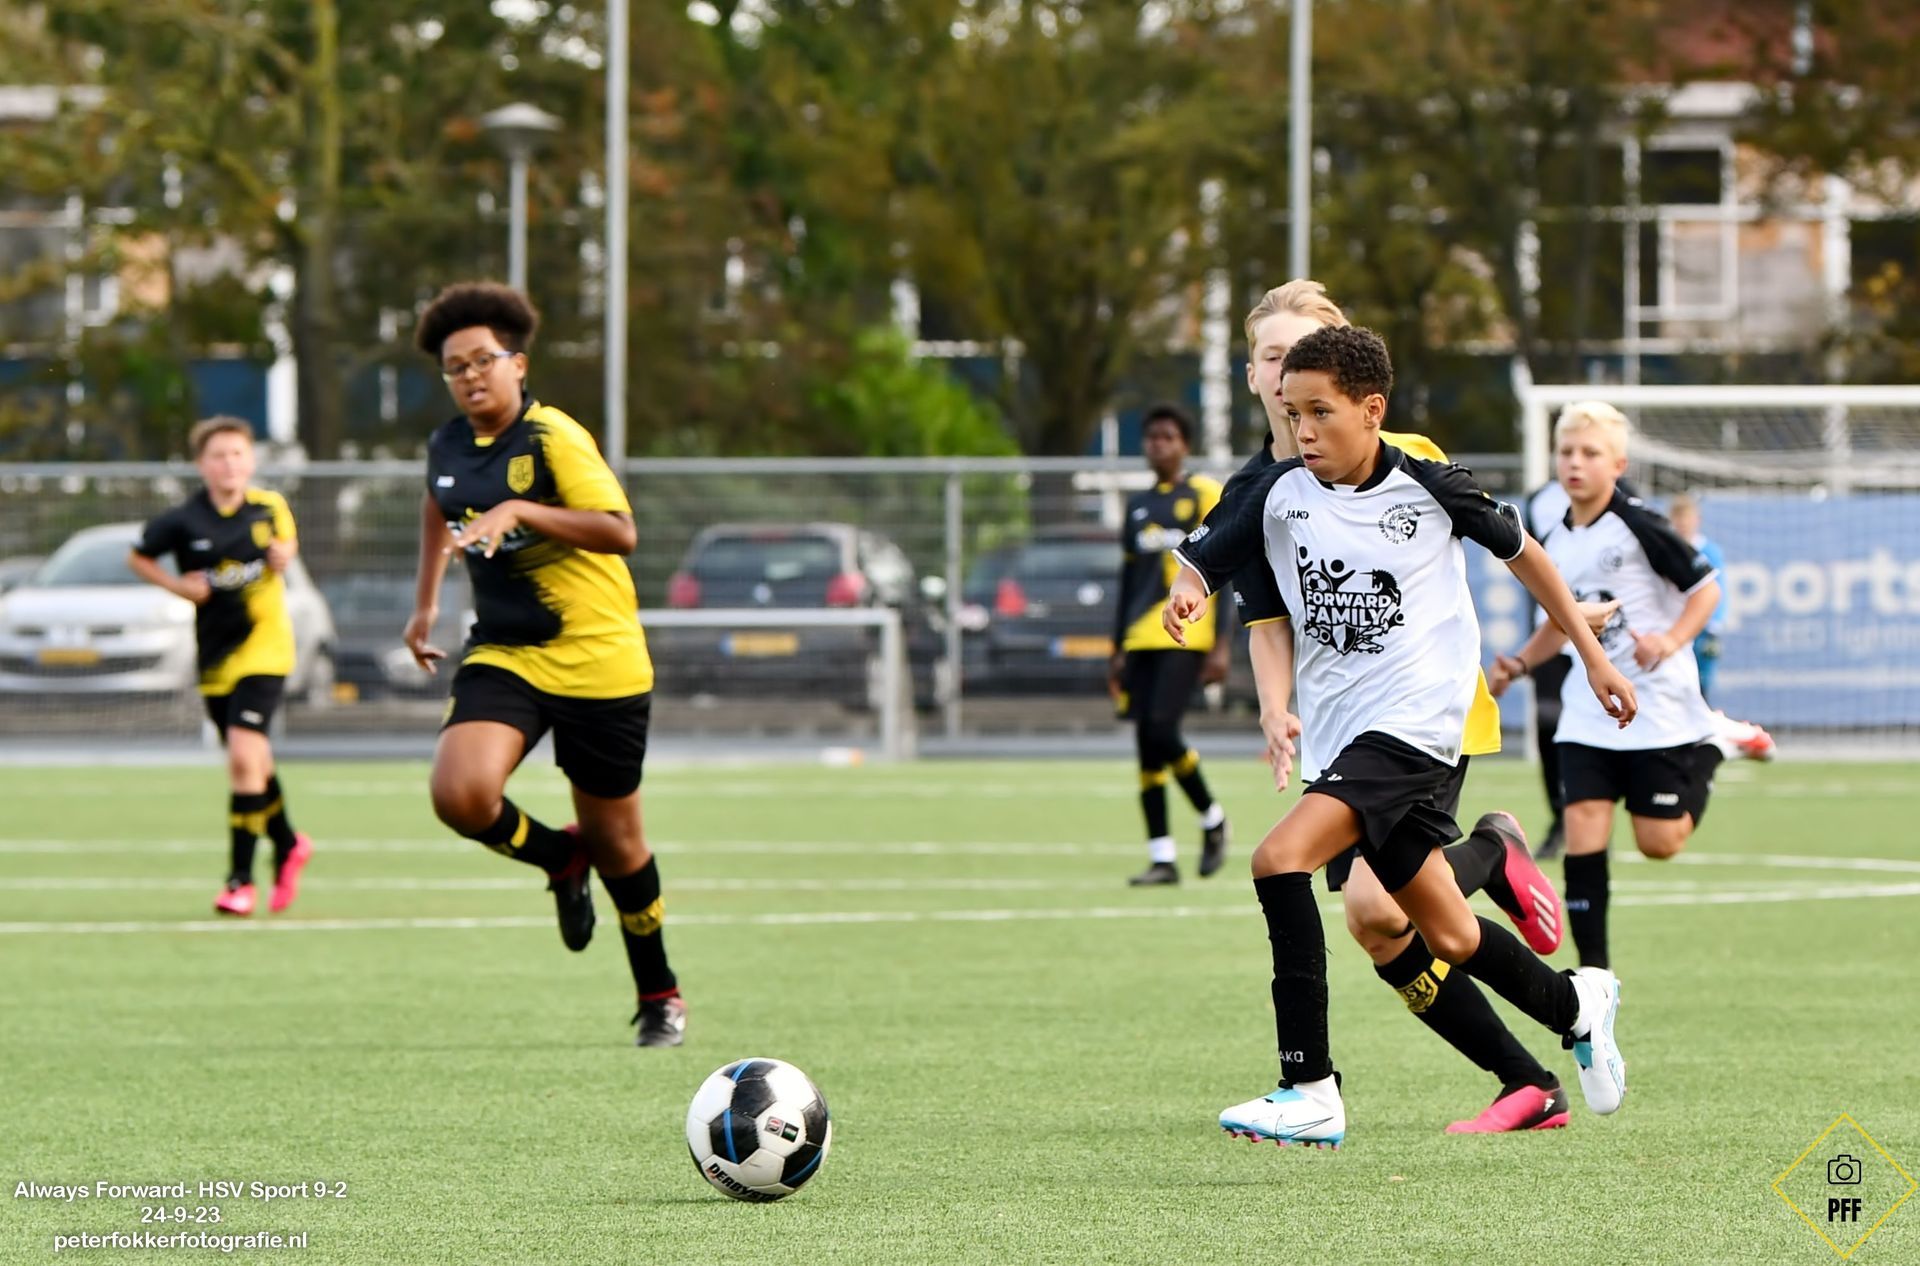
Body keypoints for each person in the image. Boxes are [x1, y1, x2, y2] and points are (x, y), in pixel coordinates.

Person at [1166, 326, 1636, 1148]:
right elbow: (1212, 551)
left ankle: (1309, 1086)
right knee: (1448, 932)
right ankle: (1576, 1005)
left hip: (1415, 727)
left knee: (1278, 860)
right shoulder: (1278, 492)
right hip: (1344, 739)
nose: (1304, 430)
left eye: (1321, 412)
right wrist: (1188, 589)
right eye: (1293, 413)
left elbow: (1527, 557)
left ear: (1371, 410)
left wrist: (1592, 657)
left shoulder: (1427, 485)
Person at [1231, 282, 1570, 1134]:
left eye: (1302, 351)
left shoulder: (1399, 454)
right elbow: (1268, 620)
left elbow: (1459, 559)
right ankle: (1529, 1078)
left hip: (1421, 718)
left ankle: (1487, 859)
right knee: (1390, 929)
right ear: (1254, 374)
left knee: (1373, 909)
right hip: (1341, 731)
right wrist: (1275, 708)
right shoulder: (1258, 490)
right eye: (1272, 356)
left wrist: (1573, 628)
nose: (1286, 370)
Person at [403, 281, 685, 1047]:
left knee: (620, 845)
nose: (470, 376)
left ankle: (659, 994)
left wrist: (522, 509)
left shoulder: (552, 436)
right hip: (507, 652)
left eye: (484, 360)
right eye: (456, 367)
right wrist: (424, 605)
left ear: (518, 364)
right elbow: (436, 508)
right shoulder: (446, 445)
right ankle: (561, 859)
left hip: (599, 660)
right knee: (459, 794)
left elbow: (620, 530)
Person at [1489, 403, 1723, 972]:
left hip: (1655, 706)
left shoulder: (1641, 524)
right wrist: (1518, 665)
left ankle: (1717, 745)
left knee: (1658, 843)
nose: (1575, 463)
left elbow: (1707, 590)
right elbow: (1561, 621)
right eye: (1566, 452)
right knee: (1583, 830)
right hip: (1588, 710)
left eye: (1590, 453)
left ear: (1618, 464)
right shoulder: (1553, 537)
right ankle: (1595, 976)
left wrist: (1670, 639)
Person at [128, 418, 312, 916]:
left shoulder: (268, 506)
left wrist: (283, 555)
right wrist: (178, 587)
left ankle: (239, 882)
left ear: (250, 461)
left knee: (242, 757)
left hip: (266, 649)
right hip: (216, 656)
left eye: (238, 454)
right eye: (218, 455)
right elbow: (138, 557)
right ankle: (289, 842)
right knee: (254, 763)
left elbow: (287, 544)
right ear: (201, 465)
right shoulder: (183, 520)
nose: (229, 464)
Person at [1111, 403, 1231, 886]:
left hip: (1186, 634)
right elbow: (1128, 581)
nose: (1158, 445)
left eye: (1167, 437)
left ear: (1185, 445)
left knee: (1162, 729)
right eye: (1151, 437)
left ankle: (1212, 816)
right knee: (1146, 743)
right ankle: (1162, 857)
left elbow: (1225, 565)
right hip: (1138, 637)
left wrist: (1222, 644)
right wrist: (1116, 647)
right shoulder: (1137, 506)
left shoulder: (1204, 494)